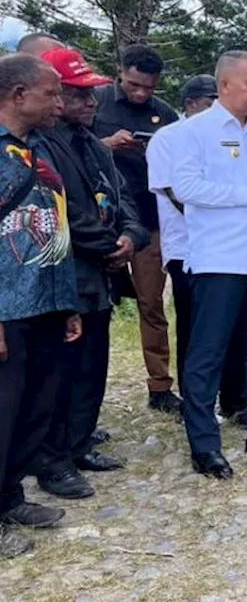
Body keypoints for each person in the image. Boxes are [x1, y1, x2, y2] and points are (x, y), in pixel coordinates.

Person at [169, 51, 247, 479]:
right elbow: (185, 186)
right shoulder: (195, 132)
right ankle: (204, 445)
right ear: (224, 85)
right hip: (221, 259)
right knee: (208, 352)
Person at [35, 48, 147, 499]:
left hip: (99, 276)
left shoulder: (92, 144)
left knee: (92, 368)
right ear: (56, 96)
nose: (90, 102)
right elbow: (66, 214)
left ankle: (79, 445)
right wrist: (106, 245)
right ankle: (52, 459)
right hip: (66, 275)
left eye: (91, 93)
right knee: (61, 374)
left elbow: (121, 199)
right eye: (79, 94)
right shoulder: (42, 146)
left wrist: (132, 237)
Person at [0, 53, 82, 557]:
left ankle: (10, 496)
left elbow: (53, 226)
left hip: (45, 304)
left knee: (35, 408)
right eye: (50, 93)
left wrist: (66, 302)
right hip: (7, 309)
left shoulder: (35, 150)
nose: (60, 101)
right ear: (16, 95)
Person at [92, 43, 181, 414]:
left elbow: (181, 164)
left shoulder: (165, 114)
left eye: (149, 87)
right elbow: (66, 150)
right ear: (120, 71)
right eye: (134, 85)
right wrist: (107, 145)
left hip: (148, 220)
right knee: (92, 310)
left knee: (151, 303)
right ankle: (85, 396)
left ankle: (159, 385)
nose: (141, 93)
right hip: (97, 222)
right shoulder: (94, 102)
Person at [145, 74, 217, 424]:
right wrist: (220, 215)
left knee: (222, 324)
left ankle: (226, 396)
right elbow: (176, 192)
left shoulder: (224, 136)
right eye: (210, 101)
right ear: (191, 104)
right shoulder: (166, 139)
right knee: (192, 323)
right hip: (187, 247)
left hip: (225, 247)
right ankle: (194, 401)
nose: (217, 108)